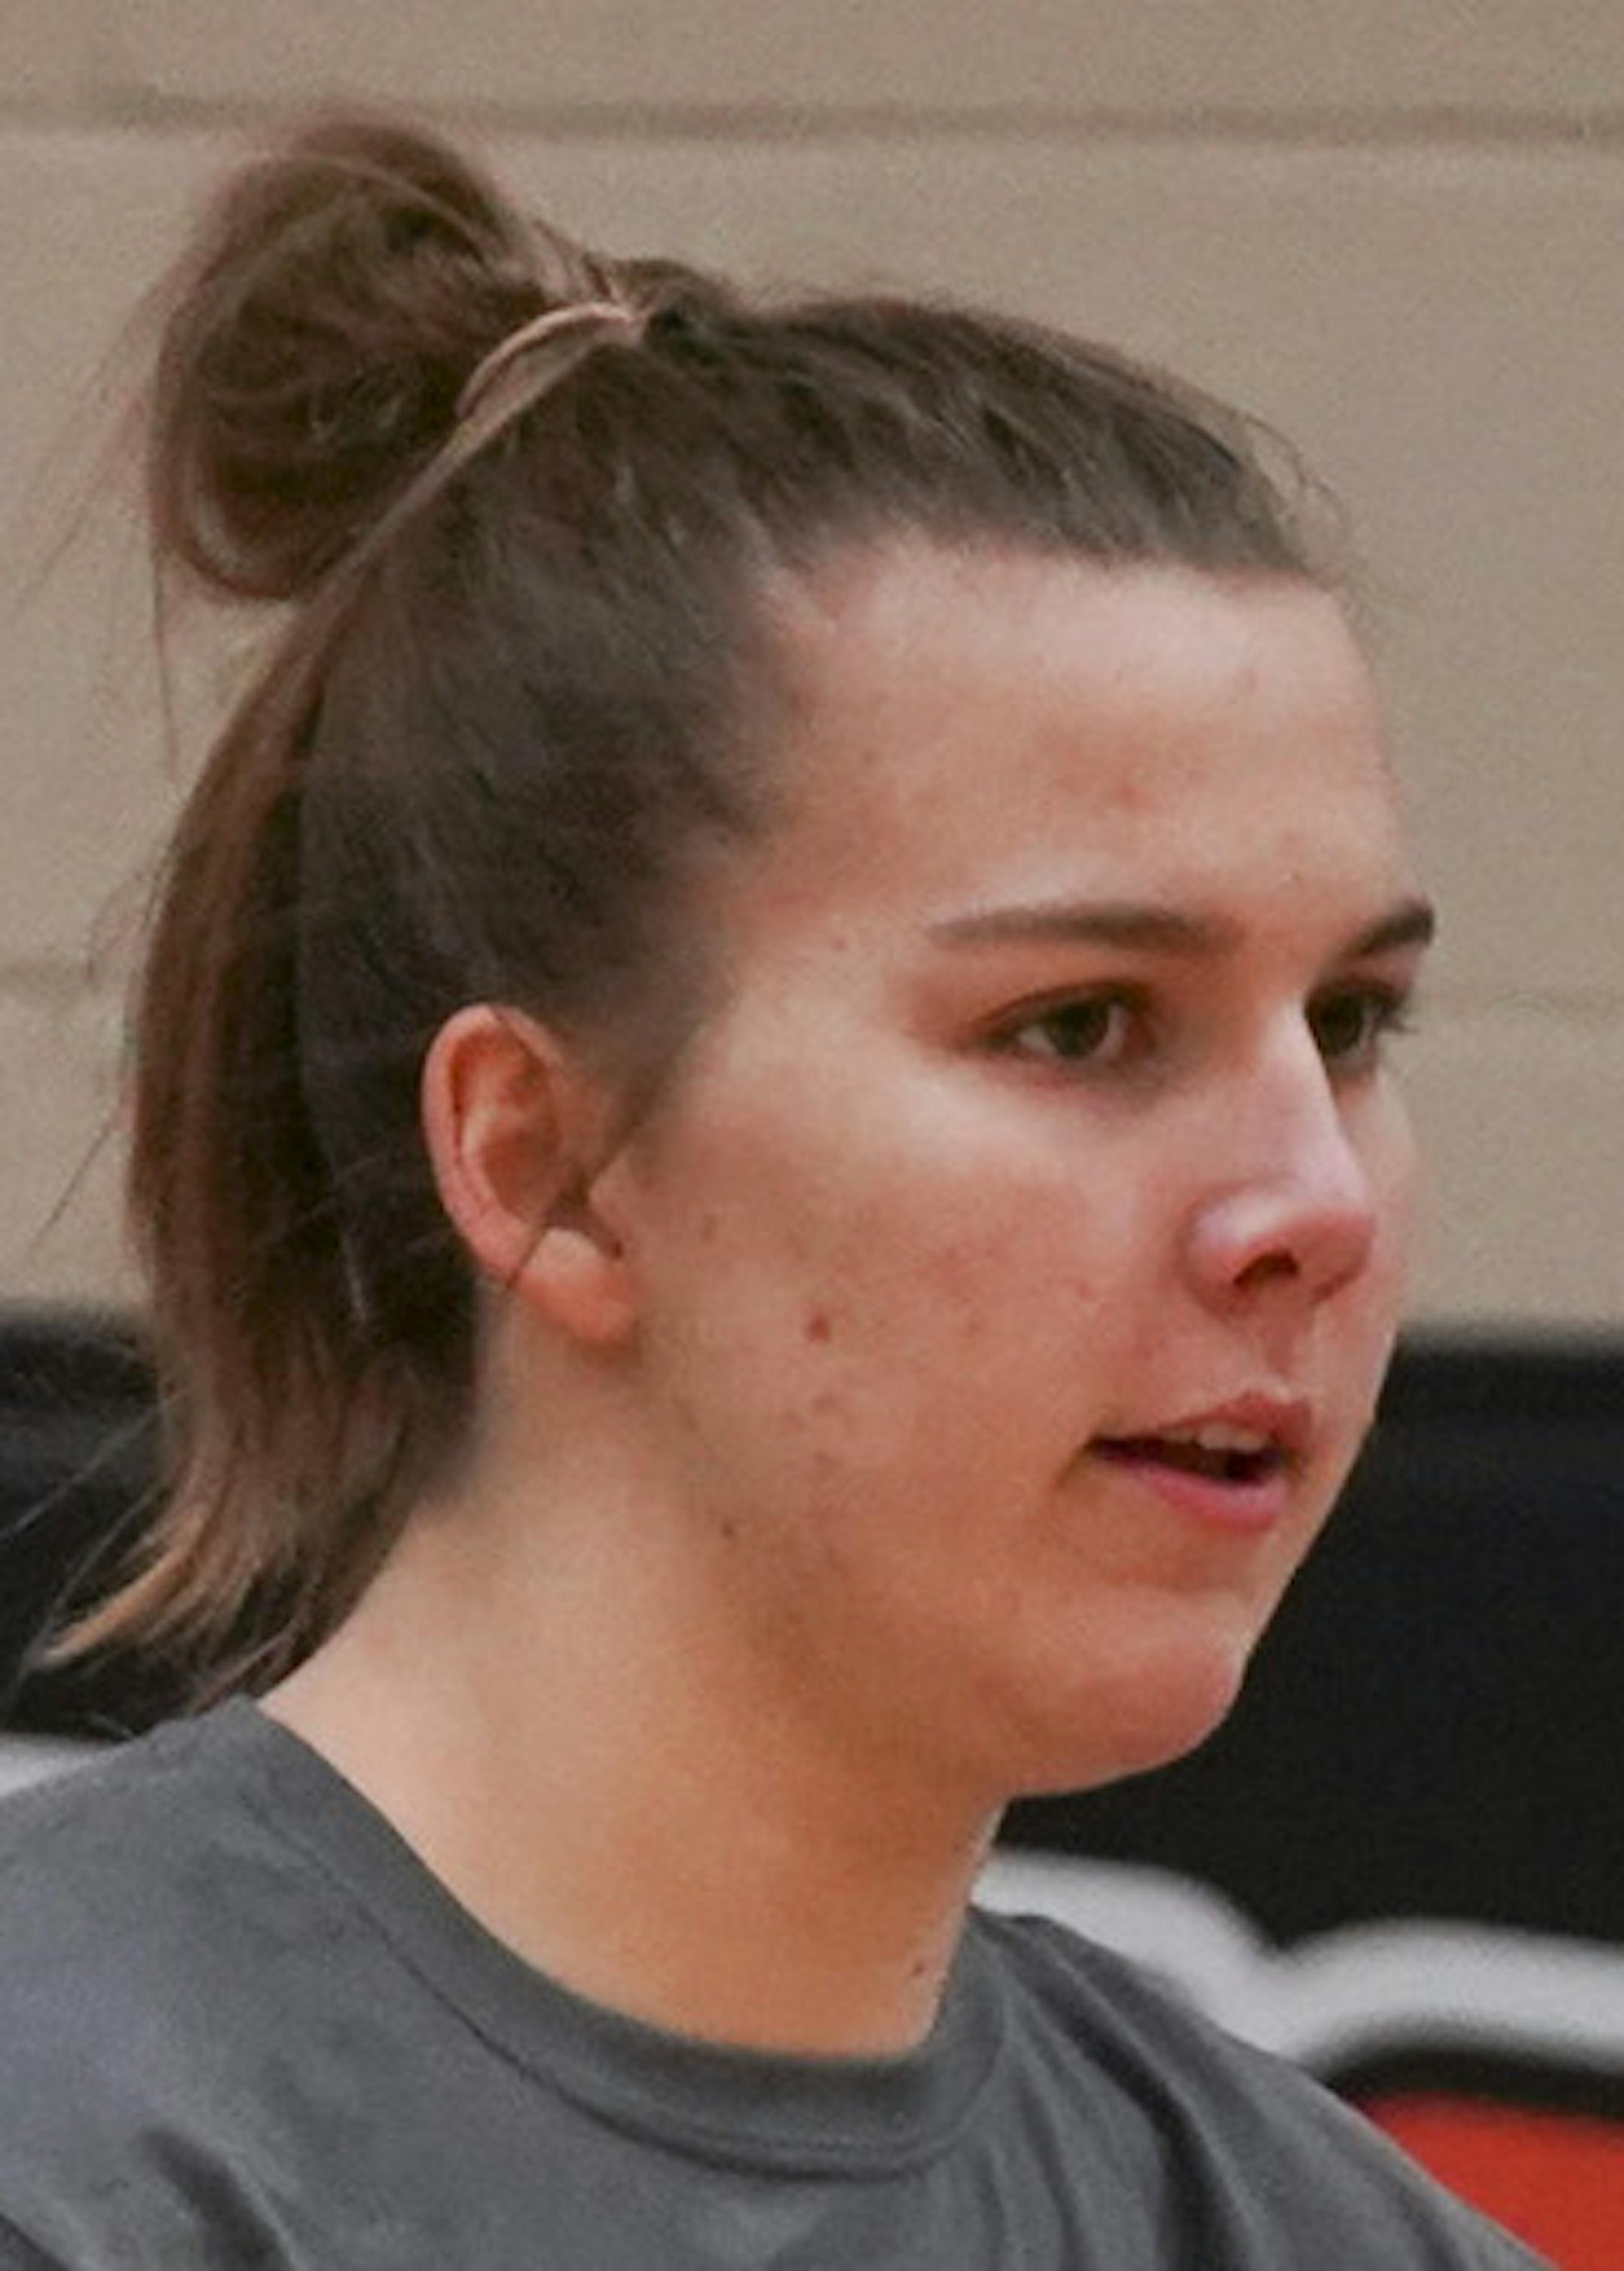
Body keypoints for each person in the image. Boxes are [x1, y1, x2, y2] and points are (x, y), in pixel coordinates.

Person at [0, 115, 1546, 2269]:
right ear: (547, 1163)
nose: (1315, 1201)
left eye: (1354, 1023)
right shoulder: (81, 2157)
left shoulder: (1323, 2231)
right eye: (1084, 1024)